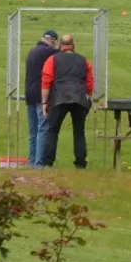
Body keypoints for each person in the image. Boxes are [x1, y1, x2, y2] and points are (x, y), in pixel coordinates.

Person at [40, 32, 94, 169]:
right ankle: (80, 164)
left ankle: (47, 162)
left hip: (59, 97)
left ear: (60, 45)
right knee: (79, 132)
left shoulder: (53, 59)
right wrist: (89, 97)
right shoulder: (84, 60)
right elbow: (89, 83)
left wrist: (44, 102)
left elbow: (46, 81)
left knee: (52, 130)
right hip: (80, 97)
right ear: (73, 45)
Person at [23, 28, 59, 165]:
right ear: (52, 41)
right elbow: (62, 53)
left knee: (33, 131)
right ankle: (38, 164)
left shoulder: (32, 51)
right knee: (42, 129)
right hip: (40, 95)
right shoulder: (47, 52)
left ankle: (32, 161)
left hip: (29, 94)